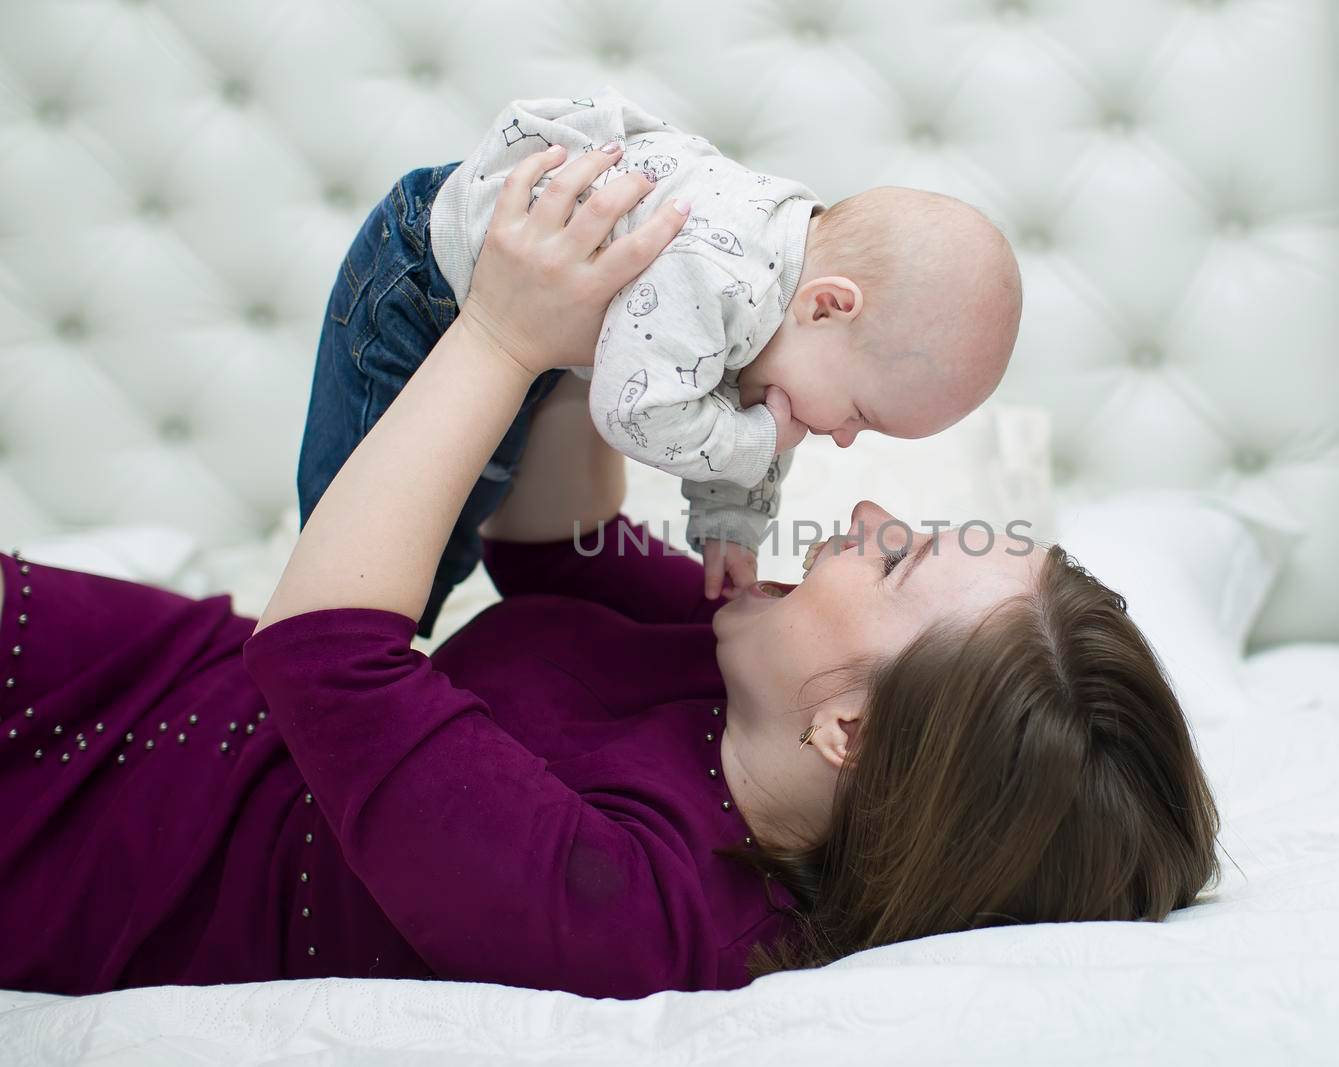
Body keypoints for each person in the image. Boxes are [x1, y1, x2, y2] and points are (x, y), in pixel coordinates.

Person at [0, 145, 1219, 999]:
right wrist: (636, 321)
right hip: (142, 667)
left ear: (850, 725)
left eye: (895, 560)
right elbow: (547, 549)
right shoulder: (736, 656)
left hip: (78, 829)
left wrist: (501, 335)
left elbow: (324, 648)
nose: (863, 512)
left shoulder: (635, 901)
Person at [298, 89, 1023, 632]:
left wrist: (730, 530)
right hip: (421, 284)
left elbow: (737, 414)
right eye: (862, 416)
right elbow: (636, 409)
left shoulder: (787, 305)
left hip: (524, 334)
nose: (839, 436)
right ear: (830, 306)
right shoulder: (716, 272)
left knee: (464, 504)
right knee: (361, 522)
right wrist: (756, 443)